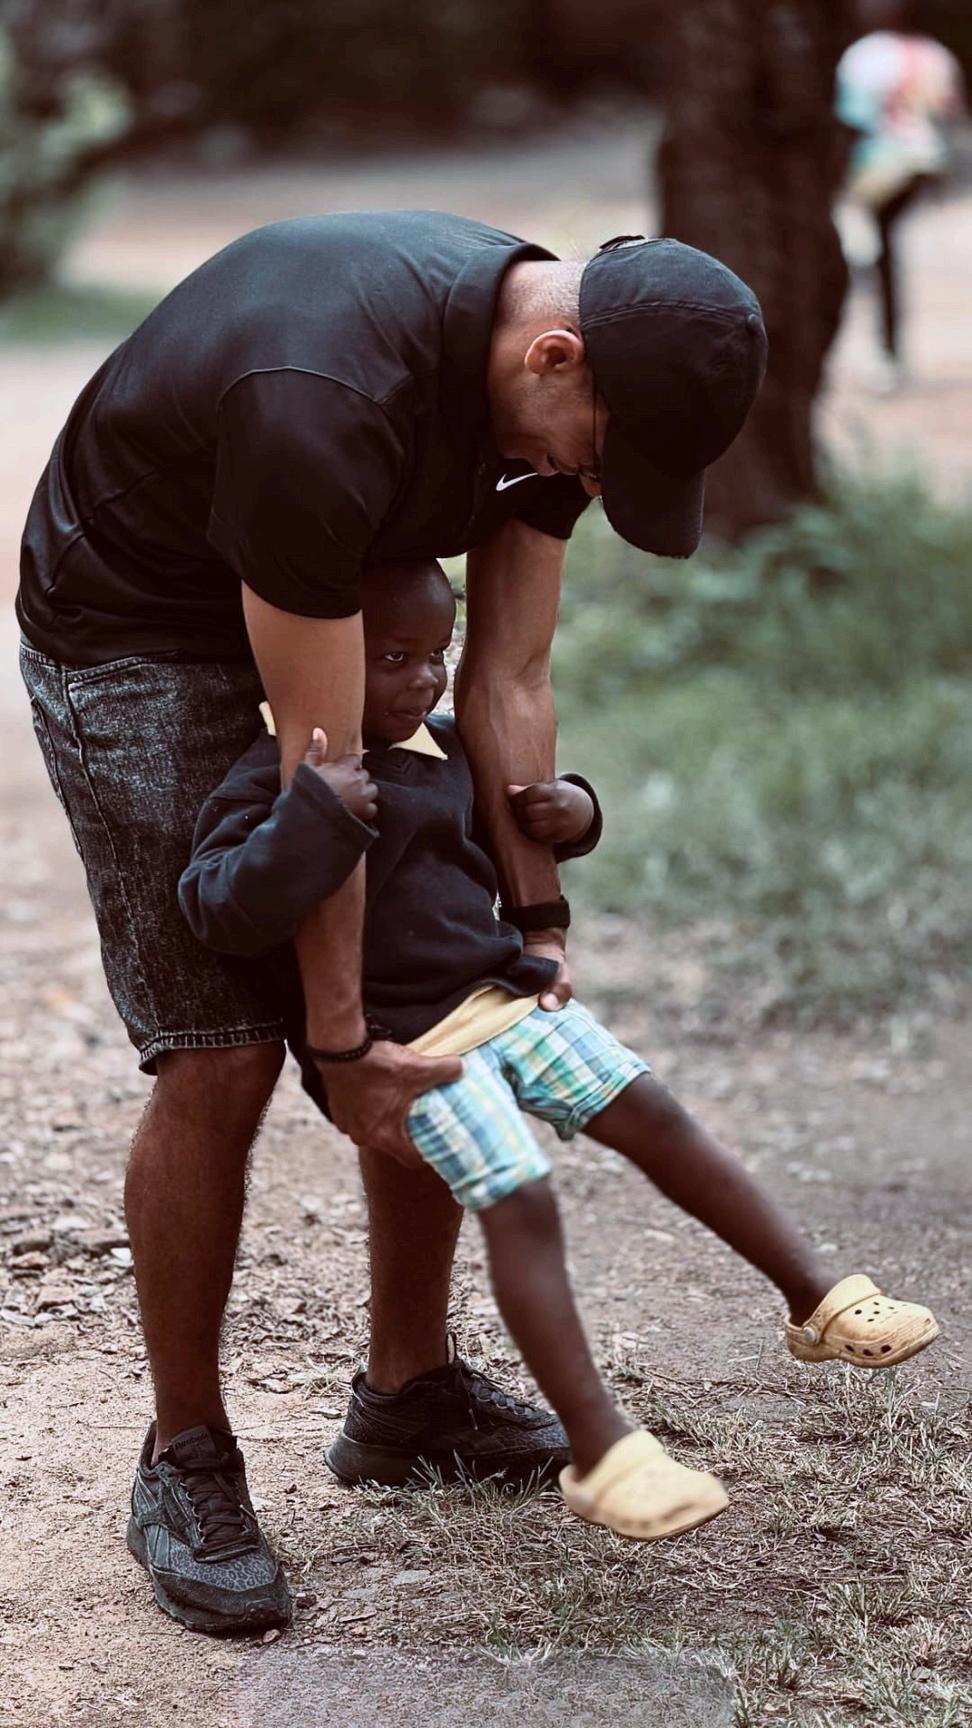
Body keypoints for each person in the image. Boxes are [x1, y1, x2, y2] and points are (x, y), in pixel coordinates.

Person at [17, 211, 768, 1634]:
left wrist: (535, 928)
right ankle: (186, 1454)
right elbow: (327, 782)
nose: (584, 486)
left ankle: (409, 1396)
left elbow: (507, 679)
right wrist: (345, 1042)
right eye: (598, 459)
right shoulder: (321, 399)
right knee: (223, 1048)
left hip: (341, 606)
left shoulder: (546, 394)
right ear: (555, 355)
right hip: (138, 630)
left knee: (449, 1006)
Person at [170, 556, 940, 1625]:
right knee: (521, 1198)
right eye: (390, 657)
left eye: (435, 654)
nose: (420, 678)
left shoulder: (445, 748)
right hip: (412, 1052)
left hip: (509, 1000)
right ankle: (605, 1451)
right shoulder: (273, 774)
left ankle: (818, 1297)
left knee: (655, 1112)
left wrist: (576, 811)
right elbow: (215, 908)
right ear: (319, 661)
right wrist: (309, 821)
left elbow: (512, 829)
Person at [836, 1, 966, 389]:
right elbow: (950, 112)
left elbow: (853, 118)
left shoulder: (864, 56)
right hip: (926, 160)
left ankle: (887, 351)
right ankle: (889, 347)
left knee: (873, 245)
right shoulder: (936, 55)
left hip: (882, 165)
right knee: (885, 248)